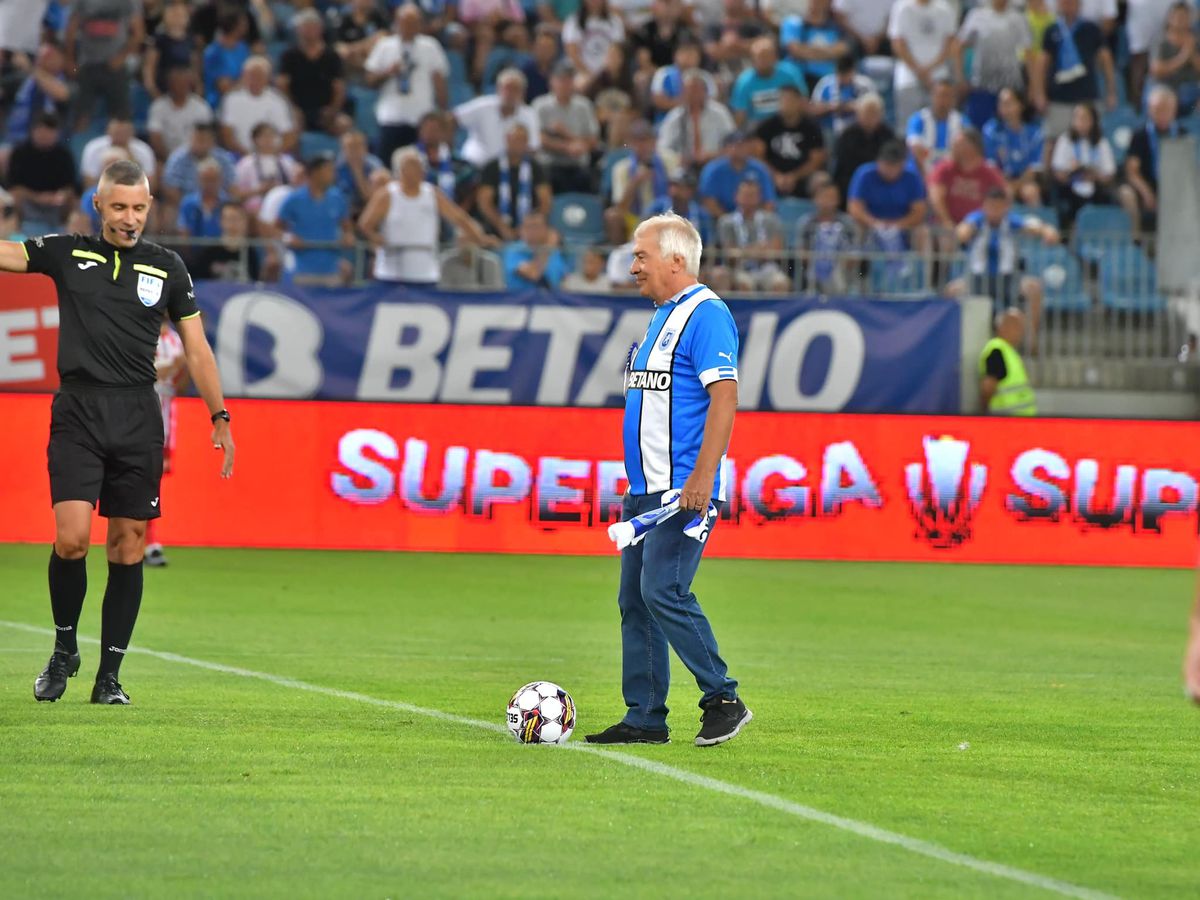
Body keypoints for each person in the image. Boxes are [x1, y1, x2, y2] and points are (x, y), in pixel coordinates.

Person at [0, 158, 235, 705]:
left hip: (137, 415)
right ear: (99, 206)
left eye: (139, 207)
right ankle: (64, 650)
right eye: (120, 207)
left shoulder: (168, 267)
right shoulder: (67, 251)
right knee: (72, 540)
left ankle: (109, 678)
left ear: (149, 207)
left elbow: (196, 349)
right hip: (78, 411)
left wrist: (219, 415)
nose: (130, 218)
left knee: (128, 548)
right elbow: (11, 254)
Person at [584, 211, 750, 748]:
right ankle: (646, 716)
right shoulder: (661, 316)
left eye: (641, 255)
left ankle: (722, 697)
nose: (632, 266)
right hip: (645, 493)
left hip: (681, 491)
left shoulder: (706, 314)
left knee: (663, 588)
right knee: (636, 599)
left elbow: (724, 396)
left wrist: (702, 478)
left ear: (676, 260)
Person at [359, 146, 491, 286]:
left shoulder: (432, 194)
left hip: (426, 271)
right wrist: (378, 240)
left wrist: (479, 238)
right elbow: (365, 224)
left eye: (419, 167)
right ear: (400, 170)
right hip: (392, 271)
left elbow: (458, 217)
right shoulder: (387, 195)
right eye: (411, 167)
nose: (416, 171)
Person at [950, 187, 1058, 336]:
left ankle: (1030, 342)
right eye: (991, 206)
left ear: (1005, 207)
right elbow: (961, 232)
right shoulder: (976, 220)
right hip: (977, 279)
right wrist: (965, 231)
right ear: (984, 206)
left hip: (1009, 279)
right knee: (952, 291)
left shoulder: (1012, 221)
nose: (994, 211)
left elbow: (1035, 227)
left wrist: (1047, 230)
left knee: (1034, 288)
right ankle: (955, 343)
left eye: (998, 207)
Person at [364, 3, 449, 164]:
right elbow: (369, 80)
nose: (409, 27)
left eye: (414, 22)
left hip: (421, 119)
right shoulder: (384, 46)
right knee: (387, 164)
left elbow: (440, 82)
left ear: (420, 24)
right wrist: (388, 72)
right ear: (397, 22)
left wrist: (442, 112)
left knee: (420, 165)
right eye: (405, 22)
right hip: (391, 117)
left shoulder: (430, 46)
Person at [1030, 0, 1118, 144]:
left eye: (1071, 2)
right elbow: (1042, 64)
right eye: (1064, 2)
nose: (1068, 5)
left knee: (1093, 141)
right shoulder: (1052, 30)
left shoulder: (1091, 29)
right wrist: (1039, 93)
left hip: (1087, 97)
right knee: (1053, 141)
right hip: (1059, 98)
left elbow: (1106, 59)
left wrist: (1111, 91)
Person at [144, 320, 187, 568]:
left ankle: (147, 541)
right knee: (143, 478)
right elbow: (146, 372)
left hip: (166, 418)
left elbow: (179, 386)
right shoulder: (142, 330)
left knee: (153, 480)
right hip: (140, 414)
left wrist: (188, 364)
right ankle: (145, 542)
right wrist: (177, 363)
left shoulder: (174, 339)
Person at [955, 0, 1035, 129]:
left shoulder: (1018, 18)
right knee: (977, 132)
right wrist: (961, 78)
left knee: (1008, 131)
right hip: (981, 87)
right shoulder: (977, 15)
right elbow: (959, 47)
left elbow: (1029, 54)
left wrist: (1033, 86)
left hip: (1010, 88)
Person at [1118, 85, 1186, 238]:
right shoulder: (1140, 136)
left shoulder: (1182, 135)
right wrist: (1147, 192)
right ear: (1150, 110)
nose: (1162, 114)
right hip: (1146, 185)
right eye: (1157, 110)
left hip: (1175, 188)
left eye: (1166, 109)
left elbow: (1187, 170)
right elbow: (1132, 170)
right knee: (1126, 193)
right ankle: (1136, 240)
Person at [277, 154, 355, 286]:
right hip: (301, 269)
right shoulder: (294, 199)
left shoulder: (338, 198)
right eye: (328, 170)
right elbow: (276, 227)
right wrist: (287, 237)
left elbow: (346, 226)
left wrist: (348, 236)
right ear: (314, 173)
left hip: (331, 269)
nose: (333, 174)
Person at [65, 0, 144, 129]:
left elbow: (138, 33)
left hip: (116, 67)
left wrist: (121, 57)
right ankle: (77, 146)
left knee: (121, 120)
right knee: (81, 117)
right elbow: (71, 29)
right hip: (87, 65)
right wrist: (70, 61)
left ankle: (120, 148)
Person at [847, 139, 930, 256]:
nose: (889, 169)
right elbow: (855, 208)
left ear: (902, 164)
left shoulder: (912, 177)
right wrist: (876, 224)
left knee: (922, 232)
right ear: (878, 161)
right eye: (886, 164)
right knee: (856, 230)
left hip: (903, 227)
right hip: (870, 225)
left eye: (894, 165)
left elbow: (919, 211)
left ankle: (918, 272)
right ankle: (857, 273)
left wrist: (897, 225)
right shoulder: (864, 173)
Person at [475, 123, 553, 242]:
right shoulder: (492, 167)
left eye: (520, 140)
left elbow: (545, 201)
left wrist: (530, 226)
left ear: (526, 142)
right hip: (495, 227)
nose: (516, 144)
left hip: (529, 228)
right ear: (506, 140)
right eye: (513, 140)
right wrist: (502, 226)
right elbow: (484, 202)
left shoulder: (536, 168)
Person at [532, 61, 601, 194]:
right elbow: (538, 138)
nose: (565, 84)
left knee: (589, 179)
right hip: (550, 163)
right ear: (551, 81)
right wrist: (567, 147)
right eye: (561, 79)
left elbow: (593, 139)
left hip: (579, 164)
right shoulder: (540, 105)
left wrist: (566, 134)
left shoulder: (584, 105)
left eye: (569, 79)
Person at [278, 9, 349, 136]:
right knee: (291, 127)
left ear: (320, 29)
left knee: (343, 124)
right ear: (298, 30)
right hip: (297, 110)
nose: (309, 31)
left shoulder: (332, 56)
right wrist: (292, 108)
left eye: (312, 27)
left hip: (325, 110)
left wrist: (333, 109)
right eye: (305, 27)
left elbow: (339, 87)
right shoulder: (289, 56)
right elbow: (282, 86)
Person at [888, 0, 958, 126]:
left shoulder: (945, 9)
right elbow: (897, 43)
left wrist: (930, 69)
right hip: (909, 71)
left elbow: (950, 43)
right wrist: (918, 70)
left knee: (943, 99)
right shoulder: (902, 7)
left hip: (937, 72)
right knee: (906, 99)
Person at [6, 112, 78, 235]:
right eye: (40, 130)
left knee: (72, 198)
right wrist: (37, 197)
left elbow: (70, 187)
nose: (44, 135)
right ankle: (17, 229)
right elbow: (14, 187)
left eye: (49, 131)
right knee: (14, 196)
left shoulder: (64, 155)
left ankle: (64, 228)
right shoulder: (20, 153)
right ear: (33, 131)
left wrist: (57, 196)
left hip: (56, 202)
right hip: (28, 200)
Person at [454, 68, 541, 168]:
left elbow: (533, 147)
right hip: (475, 165)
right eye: (507, 88)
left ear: (523, 93)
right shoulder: (482, 106)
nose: (510, 94)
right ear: (498, 89)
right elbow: (452, 119)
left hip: (507, 170)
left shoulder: (529, 114)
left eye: (515, 89)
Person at [752, 83, 826, 199]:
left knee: (821, 180)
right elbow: (758, 156)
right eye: (782, 99)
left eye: (789, 99)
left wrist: (794, 176)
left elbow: (817, 160)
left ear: (799, 102)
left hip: (803, 176)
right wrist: (776, 176)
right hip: (772, 175)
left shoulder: (812, 127)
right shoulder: (767, 126)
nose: (785, 103)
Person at [715, 178, 790, 292]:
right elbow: (730, 253)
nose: (748, 199)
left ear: (759, 197)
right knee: (743, 283)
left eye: (752, 195)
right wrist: (759, 250)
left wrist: (744, 251)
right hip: (739, 268)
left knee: (780, 283)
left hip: (767, 268)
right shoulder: (727, 221)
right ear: (736, 196)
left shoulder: (771, 219)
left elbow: (776, 250)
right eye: (745, 195)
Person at [604, 119, 671, 243]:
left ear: (654, 141)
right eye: (637, 141)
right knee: (612, 216)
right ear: (630, 143)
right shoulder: (622, 168)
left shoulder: (669, 160)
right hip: (634, 215)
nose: (642, 145)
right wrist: (635, 182)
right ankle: (619, 255)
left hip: (665, 212)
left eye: (646, 140)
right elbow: (620, 206)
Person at [656, 69, 737, 172]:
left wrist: (713, 155)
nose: (692, 94)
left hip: (716, 164)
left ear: (705, 92)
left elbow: (733, 142)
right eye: (688, 90)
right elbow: (663, 148)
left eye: (696, 90)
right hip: (684, 168)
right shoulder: (675, 116)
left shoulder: (720, 113)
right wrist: (678, 159)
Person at [1050, 102, 1116, 226]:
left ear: (1092, 121)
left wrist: (1094, 174)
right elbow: (1058, 172)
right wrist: (1072, 170)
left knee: (1108, 198)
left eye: (1084, 118)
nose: (1080, 122)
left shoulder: (1101, 142)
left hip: (1095, 186)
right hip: (1071, 185)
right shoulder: (1065, 140)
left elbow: (1109, 174)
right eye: (1077, 118)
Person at [928, 129, 1008, 230]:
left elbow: (1005, 196)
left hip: (977, 228)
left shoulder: (989, 172)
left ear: (972, 147)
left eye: (958, 144)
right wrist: (948, 223)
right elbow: (936, 198)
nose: (953, 146)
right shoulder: (944, 168)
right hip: (945, 227)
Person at [218, 56, 298, 157]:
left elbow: (288, 135)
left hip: (274, 155)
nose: (255, 79)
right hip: (241, 155)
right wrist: (249, 156)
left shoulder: (278, 100)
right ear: (243, 76)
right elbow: (227, 134)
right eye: (251, 75)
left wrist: (272, 155)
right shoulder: (231, 99)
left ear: (268, 78)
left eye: (260, 75)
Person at [795, 173, 859, 293]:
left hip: (841, 269)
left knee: (836, 274)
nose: (828, 201)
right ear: (815, 199)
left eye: (832, 197)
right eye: (824, 197)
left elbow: (854, 252)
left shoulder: (847, 223)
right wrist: (820, 261)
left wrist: (834, 262)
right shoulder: (806, 223)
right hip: (812, 268)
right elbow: (801, 251)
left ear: (838, 199)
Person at [983, 88, 1045, 206]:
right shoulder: (991, 131)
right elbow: (990, 165)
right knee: (1005, 193)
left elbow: (1034, 167)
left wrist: (1016, 185)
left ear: (1021, 105)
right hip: (998, 180)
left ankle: (1033, 224)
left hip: (1025, 179)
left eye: (1008, 103)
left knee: (1031, 193)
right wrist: (1005, 185)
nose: (1004, 108)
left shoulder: (1034, 132)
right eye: (1001, 103)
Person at [697, 130, 777, 220]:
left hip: (754, 219)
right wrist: (728, 221)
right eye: (735, 145)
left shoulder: (760, 169)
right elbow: (708, 201)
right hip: (719, 219)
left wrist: (761, 222)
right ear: (726, 148)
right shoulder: (714, 169)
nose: (740, 149)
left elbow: (769, 202)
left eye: (744, 145)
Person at [832, 92, 896, 202]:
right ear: (858, 114)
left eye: (874, 113)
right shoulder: (847, 135)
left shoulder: (888, 135)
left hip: (882, 181)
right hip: (851, 183)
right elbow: (842, 166)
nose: (870, 118)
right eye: (867, 113)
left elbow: (892, 162)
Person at [729, 37, 806, 127]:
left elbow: (802, 102)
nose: (763, 61)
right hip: (758, 128)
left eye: (767, 56)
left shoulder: (790, 74)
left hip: (787, 125)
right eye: (760, 57)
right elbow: (740, 114)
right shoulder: (744, 81)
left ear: (775, 57)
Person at [780, 0, 850, 95]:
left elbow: (842, 50)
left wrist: (807, 50)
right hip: (800, 81)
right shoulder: (793, 23)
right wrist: (829, 52)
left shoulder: (837, 26)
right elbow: (795, 50)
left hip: (829, 82)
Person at [147, 66, 215, 162]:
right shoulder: (158, 107)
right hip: (166, 158)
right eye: (176, 83)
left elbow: (207, 137)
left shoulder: (201, 107)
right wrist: (171, 160)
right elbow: (155, 137)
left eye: (183, 83)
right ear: (169, 85)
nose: (180, 87)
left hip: (197, 157)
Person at [979, 307, 1037, 415]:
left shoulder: (1009, 351)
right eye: (1016, 326)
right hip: (1006, 420)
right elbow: (988, 387)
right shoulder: (997, 350)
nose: (1021, 332)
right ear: (1002, 326)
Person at [906, 79, 965, 175]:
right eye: (940, 95)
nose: (943, 100)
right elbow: (914, 146)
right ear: (932, 96)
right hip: (924, 170)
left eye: (947, 96)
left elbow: (966, 147)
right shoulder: (918, 119)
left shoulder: (962, 120)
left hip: (952, 170)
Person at [811, 53, 876, 137]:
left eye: (845, 74)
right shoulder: (825, 83)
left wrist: (851, 107)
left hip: (859, 132)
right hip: (830, 131)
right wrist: (831, 107)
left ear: (852, 71)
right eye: (840, 74)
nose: (842, 78)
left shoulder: (865, 85)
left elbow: (874, 110)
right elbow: (812, 110)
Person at [501, 211, 569, 289]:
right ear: (521, 229)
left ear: (547, 229)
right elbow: (534, 274)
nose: (531, 231)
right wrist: (548, 247)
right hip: (521, 299)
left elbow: (564, 281)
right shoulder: (514, 250)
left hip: (552, 299)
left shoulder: (555, 252)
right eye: (528, 227)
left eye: (536, 226)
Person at [177, 158, 229, 239]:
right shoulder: (188, 203)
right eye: (206, 180)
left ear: (220, 180)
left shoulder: (228, 203)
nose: (210, 184)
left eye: (213, 180)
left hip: (221, 250)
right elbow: (183, 231)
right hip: (194, 250)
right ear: (199, 179)